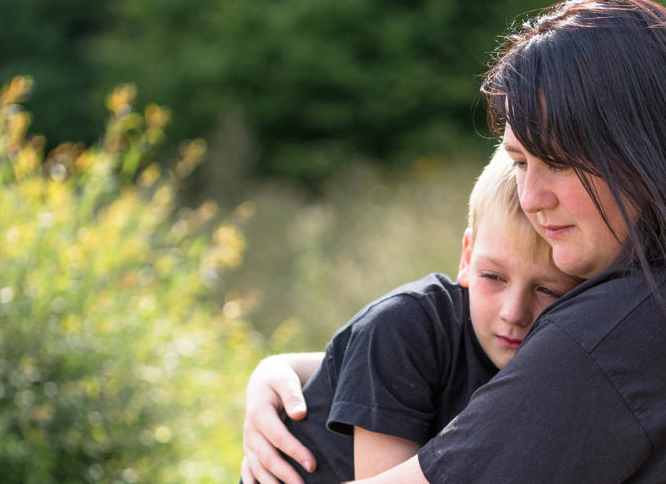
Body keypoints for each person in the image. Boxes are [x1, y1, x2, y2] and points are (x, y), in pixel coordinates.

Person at [244, 0, 666, 483]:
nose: (532, 197)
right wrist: (291, 370)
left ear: (644, 153)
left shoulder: (616, 333)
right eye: (519, 161)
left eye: (559, 162)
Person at [241, 148, 583, 483]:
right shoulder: (403, 327)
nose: (513, 312)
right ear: (467, 258)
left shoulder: (559, 357)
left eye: (547, 291)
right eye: (493, 277)